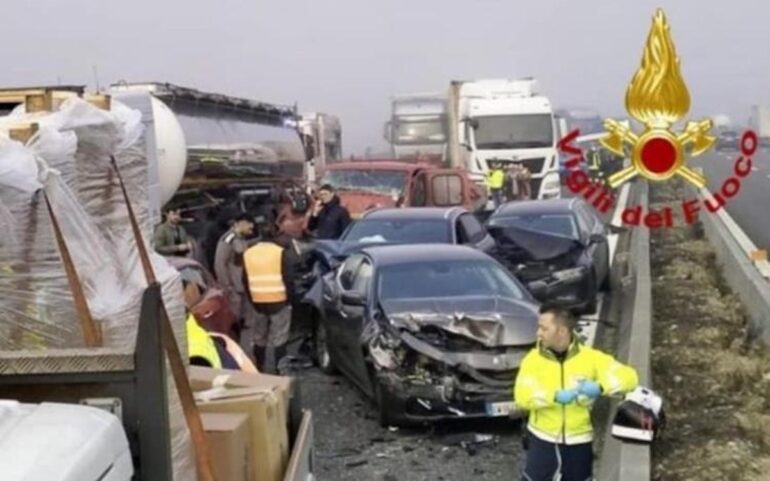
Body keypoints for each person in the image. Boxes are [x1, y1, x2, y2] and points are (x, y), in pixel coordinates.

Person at [514, 306, 639, 481]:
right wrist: (555, 396)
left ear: (562, 331)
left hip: (579, 443)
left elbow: (630, 378)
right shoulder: (532, 361)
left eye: (544, 328)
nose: (538, 333)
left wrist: (600, 387)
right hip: (543, 442)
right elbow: (522, 396)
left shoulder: (591, 358)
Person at [242, 228, 298, 373]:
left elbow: (245, 280)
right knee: (280, 337)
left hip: (258, 301)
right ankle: (279, 370)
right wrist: (290, 300)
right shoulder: (280, 252)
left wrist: (252, 299)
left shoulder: (248, 253)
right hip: (279, 301)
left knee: (259, 337)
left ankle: (259, 367)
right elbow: (289, 279)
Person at [214, 213, 255, 341]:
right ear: (239, 223)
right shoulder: (229, 239)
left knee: (242, 320)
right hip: (233, 287)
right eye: (249, 223)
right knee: (233, 319)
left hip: (241, 285)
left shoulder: (241, 239)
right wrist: (226, 285)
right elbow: (220, 263)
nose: (251, 227)